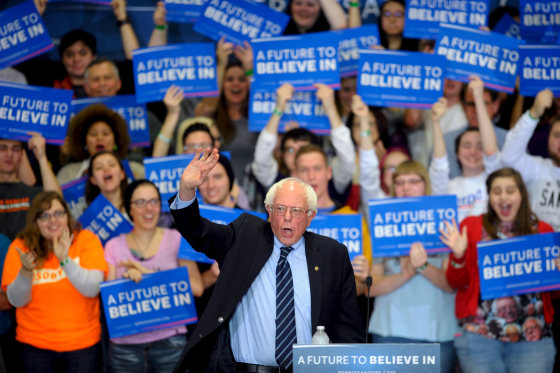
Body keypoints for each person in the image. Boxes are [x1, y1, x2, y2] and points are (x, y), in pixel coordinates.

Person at [169, 148, 363, 372]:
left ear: (310, 216)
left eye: (296, 211)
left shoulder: (333, 254)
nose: (287, 218)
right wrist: (186, 188)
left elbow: (348, 327)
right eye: (280, 209)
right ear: (269, 210)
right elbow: (197, 231)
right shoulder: (245, 236)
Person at [443, 167, 557, 373]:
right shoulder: (471, 226)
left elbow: (554, 292)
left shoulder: (543, 230)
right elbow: (455, 283)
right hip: (480, 337)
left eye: (510, 190)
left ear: (522, 194)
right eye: (497, 191)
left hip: (533, 338)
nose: (503, 196)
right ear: (489, 196)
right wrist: (458, 256)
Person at [363, 160, 457, 373]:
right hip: (389, 330)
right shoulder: (383, 223)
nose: (406, 188)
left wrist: (423, 267)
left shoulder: (443, 222)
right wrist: (404, 275)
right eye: (400, 182)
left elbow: (451, 284)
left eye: (414, 181)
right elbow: (371, 288)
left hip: (436, 332)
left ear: (426, 184)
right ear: (393, 187)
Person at [1, 191, 108, 373]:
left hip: (83, 345)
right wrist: (26, 272)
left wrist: (64, 260)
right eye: (45, 216)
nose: (53, 221)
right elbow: (16, 301)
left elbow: (92, 289)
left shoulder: (86, 240)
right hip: (34, 346)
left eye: (59, 213)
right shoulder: (20, 246)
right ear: (35, 221)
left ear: (68, 215)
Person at [104, 179, 202, 372]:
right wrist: (127, 281)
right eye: (140, 202)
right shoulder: (113, 246)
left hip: (170, 341)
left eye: (154, 201)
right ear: (128, 208)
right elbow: (110, 298)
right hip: (125, 346)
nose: (148, 208)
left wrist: (150, 276)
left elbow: (197, 287)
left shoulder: (176, 238)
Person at [430, 77, 503, 222]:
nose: (473, 152)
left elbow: (491, 153)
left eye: (480, 146)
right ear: (456, 153)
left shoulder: (494, 181)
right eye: (467, 146)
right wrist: (435, 122)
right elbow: (439, 167)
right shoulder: (448, 187)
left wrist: (478, 98)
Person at [501, 89, 560, 231]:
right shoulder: (537, 167)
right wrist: (533, 114)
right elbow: (509, 157)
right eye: (556, 135)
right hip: (536, 246)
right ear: (548, 139)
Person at [56, 104, 144, 185]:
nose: (99, 138)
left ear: (116, 141)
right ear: (84, 142)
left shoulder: (136, 170)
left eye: (105, 134)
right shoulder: (68, 173)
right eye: (93, 134)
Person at [0, 134, 61, 240]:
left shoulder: (33, 193)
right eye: (2, 148)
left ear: (22, 154)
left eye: (16, 149)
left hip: (29, 253)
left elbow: (57, 202)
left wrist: (41, 157)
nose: (9, 154)